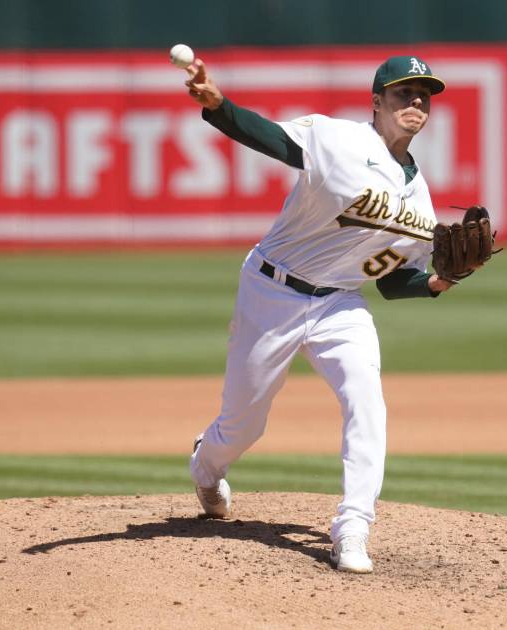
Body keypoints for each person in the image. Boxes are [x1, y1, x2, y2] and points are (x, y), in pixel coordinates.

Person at [184, 53, 456, 574]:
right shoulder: (338, 140)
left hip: (339, 302)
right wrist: (218, 105)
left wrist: (437, 283)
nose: (416, 102)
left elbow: (391, 281)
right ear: (377, 102)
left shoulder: (421, 202)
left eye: (424, 95)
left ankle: (353, 528)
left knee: (366, 401)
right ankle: (206, 464)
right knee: (244, 425)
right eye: (404, 92)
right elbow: (272, 139)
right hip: (272, 290)